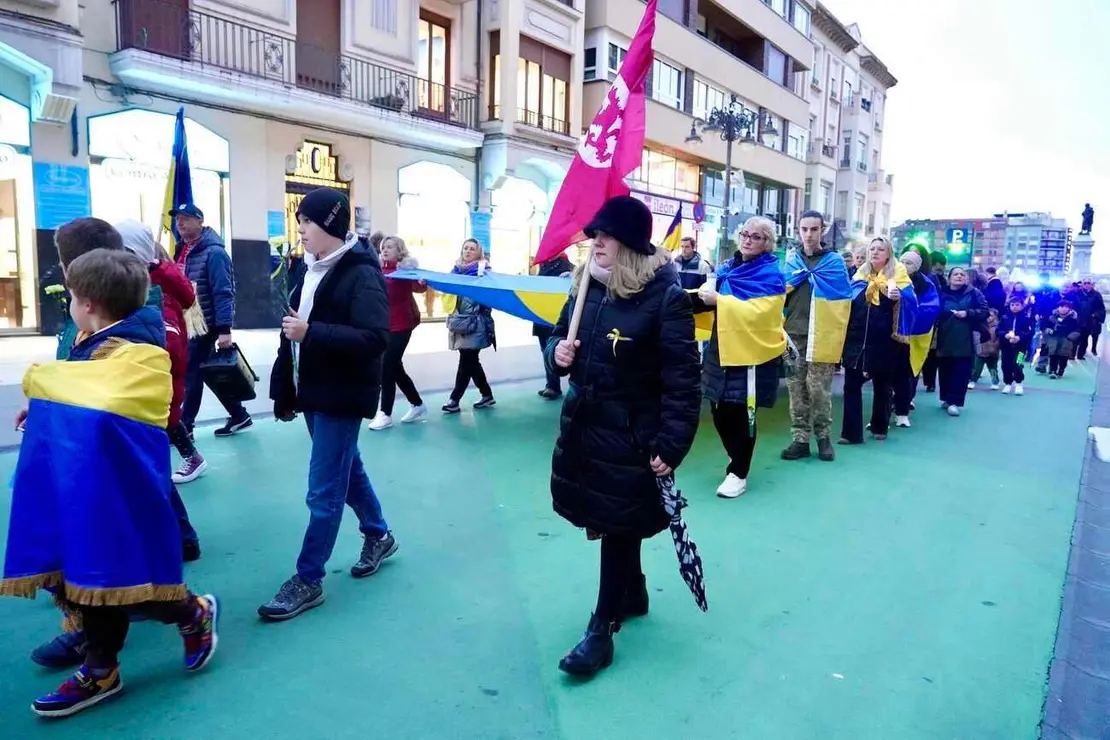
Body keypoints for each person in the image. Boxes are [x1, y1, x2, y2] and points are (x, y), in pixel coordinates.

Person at [3, 249, 218, 718]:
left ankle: (193, 613)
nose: (70, 307)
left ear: (89, 304)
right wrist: (46, 408)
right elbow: (79, 395)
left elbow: (101, 400)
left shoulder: (138, 352)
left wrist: (49, 389)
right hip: (85, 486)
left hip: (119, 491)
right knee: (88, 579)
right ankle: (101, 670)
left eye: (72, 298)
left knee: (133, 584)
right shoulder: (91, 338)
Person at [545, 196, 700, 677]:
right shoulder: (586, 284)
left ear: (631, 245)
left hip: (632, 433)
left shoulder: (665, 297)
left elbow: (682, 380)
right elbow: (556, 336)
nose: (597, 243)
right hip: (587, 424)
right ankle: (631, 591)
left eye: (606, 236)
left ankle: (601, 627)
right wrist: (558, 353)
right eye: (595, 235)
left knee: (615, 523)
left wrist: (672, 444)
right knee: (612, 518)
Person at [261, 188, 396, 621]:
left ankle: (308, 578)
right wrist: (286, 385)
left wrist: (311, 333)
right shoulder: (309, 269)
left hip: (341, 393)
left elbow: (376, 339)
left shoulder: (362, 274)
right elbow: (293, 332)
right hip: (313, 390)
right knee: (346, 468)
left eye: (307, 222)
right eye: (299, 221)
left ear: (330, 226)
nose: (300, 229)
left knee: (324, 491)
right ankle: (379, 534)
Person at [695, 216, 784, 497]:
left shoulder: (772, 275)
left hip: (750, 354)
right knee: (718, 410)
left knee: (743, 413)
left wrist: (719, 300)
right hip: (720, 349)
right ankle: (736, 461)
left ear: (767, 243)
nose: (747, 239)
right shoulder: (725, 269)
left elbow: (764, 314)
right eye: (745, 233)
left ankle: (739, 471)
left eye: (756, 236)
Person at [117, 220, 210, 485]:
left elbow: (169, 345)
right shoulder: (142, 288)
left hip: (158, 381)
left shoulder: (156, 293)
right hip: (152, 382)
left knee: (161, 429)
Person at [172, 204, 252, 437]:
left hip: (205, 324)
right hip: (187, 322)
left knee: (192, 373)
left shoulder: (214, 253)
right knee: (206, 371)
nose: (180, 223)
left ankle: (185, 426)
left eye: (186, 218)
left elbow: (224, 291)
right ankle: (238, 414)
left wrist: (224, 329)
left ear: (200, 221)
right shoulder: (182, 250)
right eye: (178, 220)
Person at [781, 210, 850, 462]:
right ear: (798, 230)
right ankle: (800, 439)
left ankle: (823, 437)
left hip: (822, 335)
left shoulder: (834, 262)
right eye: (804, 229)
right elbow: (779, 295)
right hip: (792, 335)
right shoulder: (791, 261)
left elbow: (843, 300)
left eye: (814, 229)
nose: (808, 234)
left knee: (819, 388)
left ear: (822, 230)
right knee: (795, 388)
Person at [840, 237, 915, 444]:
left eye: (880, 249)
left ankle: (880, 426)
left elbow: (912, 305)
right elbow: (847, 303)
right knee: (851, 386)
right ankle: (850, 433)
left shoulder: (899, 277)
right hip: (857, 340)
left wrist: (899, 296)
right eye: (872, 249)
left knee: (883, 386)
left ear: (888, 253)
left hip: (885, 342)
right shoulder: (859, 276)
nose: (875, 252)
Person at [368, 235, 427, 430]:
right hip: (384, 325)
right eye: (384, 247)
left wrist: (420, 280)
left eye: (390, 247)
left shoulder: (404, 270)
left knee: (387, 367)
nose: (385, 250)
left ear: (399, 250)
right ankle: (417, 404)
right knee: (395, 368)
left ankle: (385, 413)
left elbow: (419, 288)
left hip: (402, 325)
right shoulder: (379, 269)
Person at [442, 238, 496, 414]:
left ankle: (454, 399)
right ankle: (487, 394)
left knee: (467, 360)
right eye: (465, 248)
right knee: (471, 361)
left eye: (472, 249)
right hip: (460, 322)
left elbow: (489, 299)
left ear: (478, 252)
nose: (468, 251)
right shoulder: (455, 271)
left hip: (476, 323)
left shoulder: (484, 272)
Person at [935, 267, 989, 416]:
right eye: (955, 274)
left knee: (961, 372)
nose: (959, 276)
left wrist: (968, 313)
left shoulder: (974, 293)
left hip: (966, 338)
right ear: (949, 277)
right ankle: (946, 398)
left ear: (966, 278)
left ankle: (955, 402)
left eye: (962, 274)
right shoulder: (941, 293)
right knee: (945, 371)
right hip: (944, 337)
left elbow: (985, 311)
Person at [894, 248, 938, 426]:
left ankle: (903, 406)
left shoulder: (926, 284)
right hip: (894, 333)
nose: (904, 265)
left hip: (915, 334)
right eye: (902, 261)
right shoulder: (890, 278)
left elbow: (931, 307)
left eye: (909, 263)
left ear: (917, 266)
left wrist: (907, 317)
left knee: (909, 370)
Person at [533, 254, 575, 400]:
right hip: (540, 317)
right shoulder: (543, 266)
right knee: (546, 351)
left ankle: (553, 386)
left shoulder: (565, 265)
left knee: (558, 351)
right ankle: (551, 385)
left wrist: (571, 277)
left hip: (555, 317)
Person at [998, 296, 1035, 395]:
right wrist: (1005, 335)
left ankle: (1019, 383)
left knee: (1018, 364)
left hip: (1021, 348)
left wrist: (1019, 337)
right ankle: (1008, 383)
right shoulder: (1005, 317)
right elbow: (998, 330)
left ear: (1022, 306)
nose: (1014, 307)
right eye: (1012, 305)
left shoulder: (1026, 318)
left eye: (1017, 305)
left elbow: (1030, 331)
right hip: (1006, 347)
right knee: (1006, 365)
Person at [1043, 300, 1081, 378]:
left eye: (1066, 307)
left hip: (1067, 338)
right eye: (1061, 307)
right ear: (1058, 308)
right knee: (1053, 352)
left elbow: (1077, 329)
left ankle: (1061, 369)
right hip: (1054, 337)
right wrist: (1049, 330)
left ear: (1069, 309)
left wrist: (1072, 336)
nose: (1063, 309)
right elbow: (1045, 325)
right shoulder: (1052, 317)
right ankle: (1053, 370)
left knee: (1064, 354)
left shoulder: (1073, 319)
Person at [1032, 275, 1062, 374]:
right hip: (1043, 320)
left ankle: (1053, 367)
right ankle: (1041, 365)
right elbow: (1036, 304)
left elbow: (1059, 304)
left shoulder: (1054, 291)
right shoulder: (1037, 290)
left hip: (1054, 320)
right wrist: (1036, 313)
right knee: (1044, 344)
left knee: (1052, 345)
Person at [969, 308, 1001, 390]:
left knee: (993, 368)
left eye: (991, 316)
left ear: (995, 316)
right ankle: (972, 381)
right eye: (987, 315)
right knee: (976, 368)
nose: (988, 318)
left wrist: (995, 347)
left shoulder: (998, 327)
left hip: (993, 352)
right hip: (981, 351)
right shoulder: (980, 325)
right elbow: (975, 338)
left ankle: (995, 382)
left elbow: (999, 340)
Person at [1074, 278, 1106, 359]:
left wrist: (1095, 315)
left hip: (1091, 320)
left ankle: (1081, 354)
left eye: (1089, 283)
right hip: (1078, 320)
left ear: (1092, 285)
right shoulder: (1077, 294)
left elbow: (1101, 308)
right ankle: (1072, 354)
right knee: (1076, 338)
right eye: (1085, 283)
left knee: (1086, 338)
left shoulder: (1096, 295)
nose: (1087, 285)